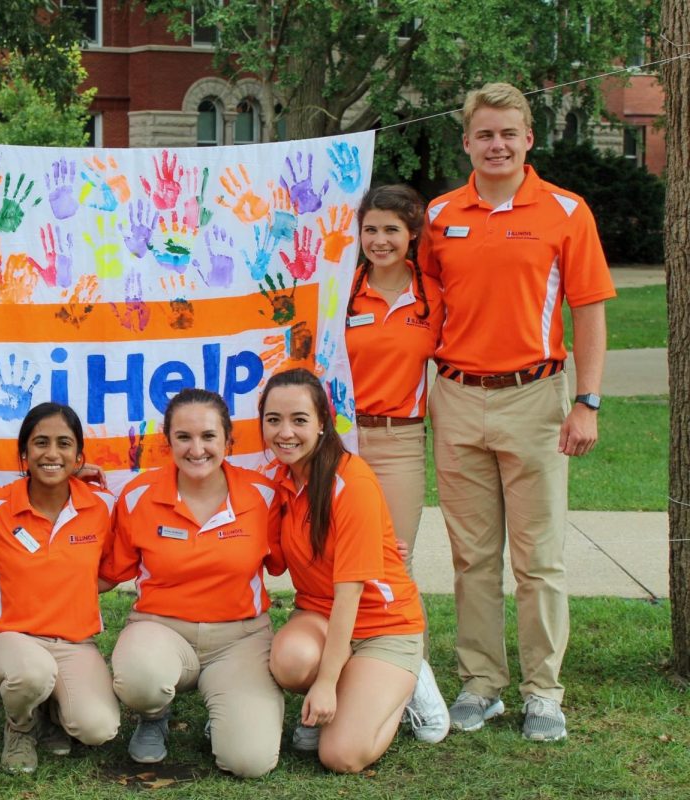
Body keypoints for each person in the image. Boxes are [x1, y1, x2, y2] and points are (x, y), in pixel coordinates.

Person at [418, 83, 615, 741]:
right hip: (455, 395)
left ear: (529, 138)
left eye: (508, 133)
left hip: (535, 397)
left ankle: (543, 692)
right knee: (471, 557)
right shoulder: (440, 217)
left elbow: (588, 311)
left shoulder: (565, 210)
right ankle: (481, 684)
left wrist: (586, 401)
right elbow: (420, 311)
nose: (496, 145)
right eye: (484, 135)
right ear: (466, 142)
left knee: (538, 559)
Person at [260, 369, 448, 774]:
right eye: (273, 420)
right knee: (291, 661)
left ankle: (407, 682)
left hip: (383, 624)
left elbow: (350, 593)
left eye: (299, 420)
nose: (285, 432)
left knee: (340, 755)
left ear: (323, 424)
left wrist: (326, 684)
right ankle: (351, 688)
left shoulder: (352, 479)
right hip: (320, 617)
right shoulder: (279, 481)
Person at [100, 388, 284, 779]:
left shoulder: (263, 495)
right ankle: (153, 715)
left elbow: (296, 555)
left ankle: (226, 713)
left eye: (208, 436)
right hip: (160, 630)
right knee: (140, 679)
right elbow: (107, 571)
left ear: (228, 440)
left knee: (248, 762)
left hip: (241, 639)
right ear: (168, 442)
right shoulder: (138, 496)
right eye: (183, 437)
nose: (196, 449)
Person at [0, 403, 120, 774]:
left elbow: (111, 572)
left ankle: (53, 714)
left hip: (74, 644)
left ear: (78, 455)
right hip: (10, 641)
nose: (52, 453)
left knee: (97, 728)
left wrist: (67, 587)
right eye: (40, 443)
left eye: (64, 444)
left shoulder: (102, 506)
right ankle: (21, 727)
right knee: (32, 673)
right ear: (24, 454)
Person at [345, 184, 443, 573]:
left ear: (412, 234)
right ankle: (341, 635)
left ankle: (402, 636)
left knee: (396, 556)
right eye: (370, 230)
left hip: (400, 441)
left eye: (391, 230)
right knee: (343, 555)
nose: (379, 241)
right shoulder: (341, 291)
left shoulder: (434, 297)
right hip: (341, 437)